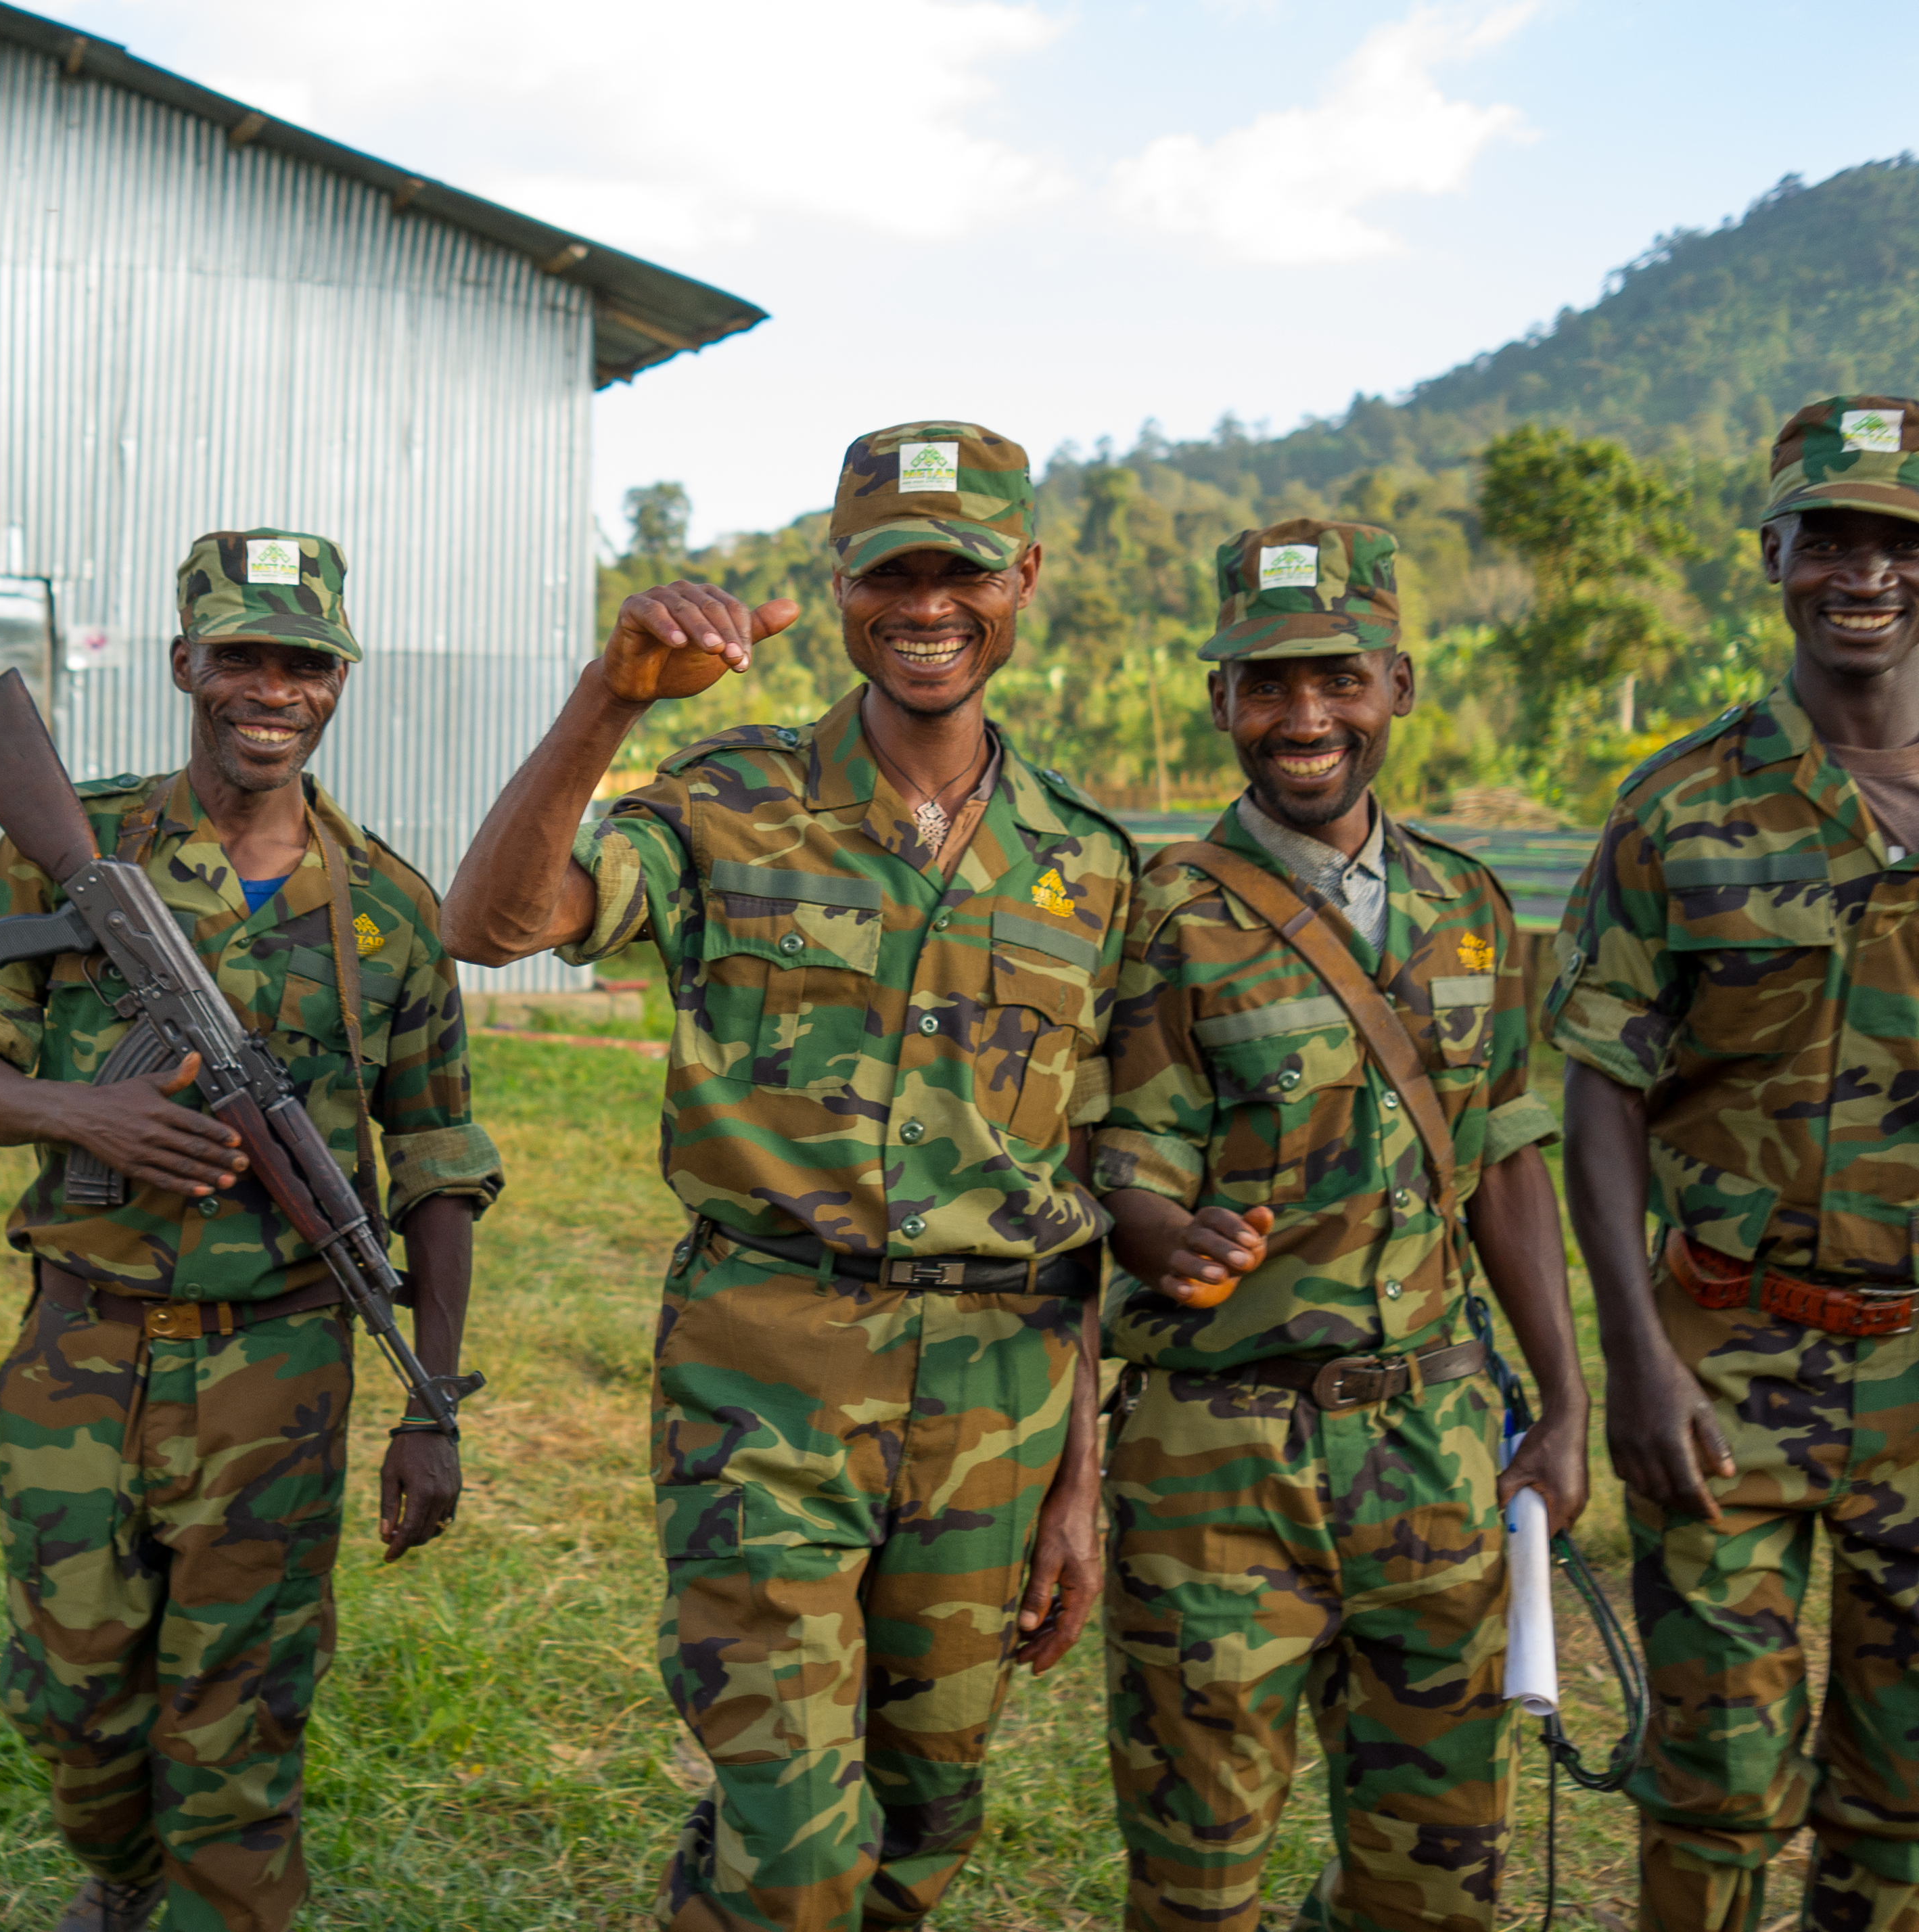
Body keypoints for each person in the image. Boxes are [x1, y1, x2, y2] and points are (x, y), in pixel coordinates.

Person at [445, 421, 1127, 1932]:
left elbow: (1076, 1184)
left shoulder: (1088, 865)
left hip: (996, 1406)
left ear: (1024, 577)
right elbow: (490, 923)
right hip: (768, 1385)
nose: (927, 604)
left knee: (928, 1817)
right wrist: (607, 701)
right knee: (801, 1844)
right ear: (838, 584)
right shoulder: (724, 799)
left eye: (962, 569)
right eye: (892, 570)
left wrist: (1079, 1480)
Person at [0, 529, 503, 1932]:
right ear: (188, 664)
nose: (271, 689)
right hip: (81, 1352)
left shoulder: (388, 913)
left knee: (238, 1740)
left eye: (303, 663)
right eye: (241, 655)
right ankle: (122, 1874)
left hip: (281, 1368)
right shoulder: (68, 849)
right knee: (70, 1701)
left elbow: (435, 1164)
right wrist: (85, 1118)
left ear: (339, 683)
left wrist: (432, 1402)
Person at [1089, 518, 1589, 1932]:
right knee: (1199, 1883)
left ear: (1398, 684)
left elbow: (1500, 1161)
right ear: (1221, 703)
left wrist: (1562, 1399)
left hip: (1432, 1455)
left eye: (1339, 680)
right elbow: (1115, 1157)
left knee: (1437, 1878)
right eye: (1267, 684)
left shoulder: (1469, 910)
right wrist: (1148, 1227)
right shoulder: (1162, 916)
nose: (1305, 717)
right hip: (1216, 1462)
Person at [1549, 394, 1919, 1932]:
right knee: (1713, 1790)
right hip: (1723, 1358)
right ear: (1772, 553)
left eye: (1896, 541)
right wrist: (1634, 1357)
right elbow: (1600, 1088)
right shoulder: (1681, 804)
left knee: (1903, 1805)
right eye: (1826, 538)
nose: (1865, 575)